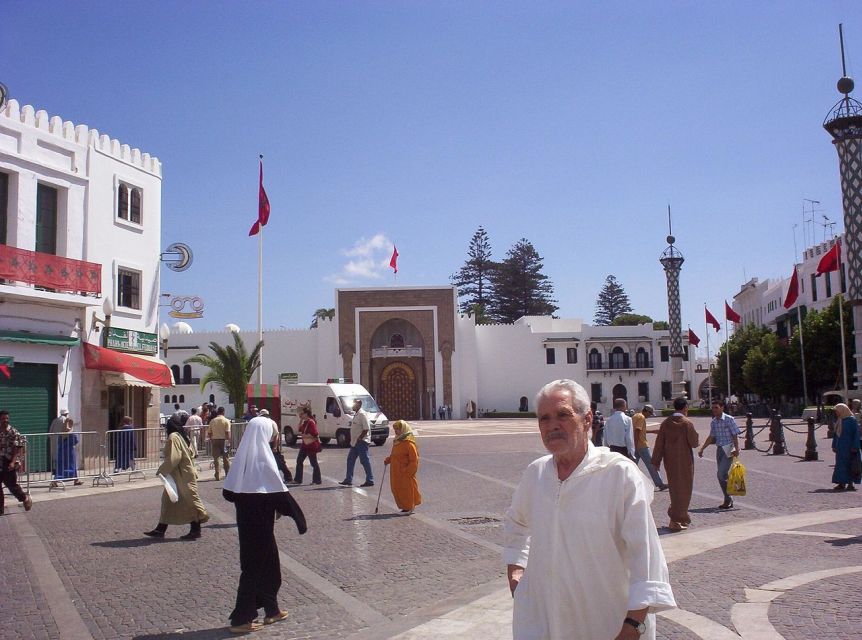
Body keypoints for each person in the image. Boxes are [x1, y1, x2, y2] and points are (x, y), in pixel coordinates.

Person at [503, 380, 675, 639]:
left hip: (605, 623)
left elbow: (646, 554)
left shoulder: (618, 474)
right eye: (544, 419)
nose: (552, 426)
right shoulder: (537, 474)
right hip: (542, 620)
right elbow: (517, 523)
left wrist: (633, 625)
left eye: (563, 415)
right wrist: (516, 568)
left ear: (587, 419)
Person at [223, 415, 306, 633]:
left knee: (270, 568)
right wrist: (299, 519)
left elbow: (229, 493)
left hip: (251, 526)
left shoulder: (244, 460)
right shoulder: (262, 461)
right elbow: (280, 496)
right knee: (253, 570)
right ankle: (241, 619)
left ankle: (272, 609)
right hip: (259, 530)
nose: (276, 438)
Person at [144, 415, 209, 540]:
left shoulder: (173, 437)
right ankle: (160, 528)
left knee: (190, 501)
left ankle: (196, 529)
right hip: (181, 474)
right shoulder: (182, 436)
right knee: (168, 500)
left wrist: (161, 471)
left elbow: (174, 458)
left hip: (182, 475)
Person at [651, 397, 700, 531]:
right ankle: (677, 519)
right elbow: (694, 443)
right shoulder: (687, 423)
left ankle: (675, 519)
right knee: (685, 490)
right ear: (685, 408)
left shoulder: (666, 423)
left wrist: (656, 461)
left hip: (670, 461)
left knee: (674, 489)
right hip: (685, 461)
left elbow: (659, 443)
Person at [698, 399, 741, 509]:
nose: (714, 410)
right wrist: (702, 448)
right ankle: (728, 499)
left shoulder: (729, 419)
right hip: (720, 450)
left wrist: (737, 448)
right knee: (722, 476)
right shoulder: (713, 422)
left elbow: (735, 434)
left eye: (716, 407)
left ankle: (729, 498)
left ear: (722, 408)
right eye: (713, 408)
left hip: (729, 449)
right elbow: (711, 436)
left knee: (721, 474)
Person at [384, 420, 421, 514]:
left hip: (405, 472)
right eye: (395, 429)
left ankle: (408, 507)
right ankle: (405, 506)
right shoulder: (397, 441)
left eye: (398, 429)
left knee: (406, 489)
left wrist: (408, 471)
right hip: (396, 472)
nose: (396, 431)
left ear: (403, 429)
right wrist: (389, 460)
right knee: (397, 489)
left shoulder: (409, 443)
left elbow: (414, 459)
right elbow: (395, 455)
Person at [0, 410, 33, 515]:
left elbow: (18, 448)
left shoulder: (13, 432)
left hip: (9, 461)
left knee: (11, 485)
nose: (5, 420)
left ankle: (24, 498)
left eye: (7, 418)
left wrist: (13, 462)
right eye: (3, 418)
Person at [339, 398, 374, 487]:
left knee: (364, 461)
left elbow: (366, 428)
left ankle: (370, 479)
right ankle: (348, 479)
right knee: (350, 460)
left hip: (361, 442)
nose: (352, 406)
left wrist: (360, 438)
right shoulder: (356, 414)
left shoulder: (362, 414)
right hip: (354, 442)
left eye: (354, 404)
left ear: (358, 405)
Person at [632, 405, 667, 491]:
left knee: (632, 465)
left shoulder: (636, 416)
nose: (649, 415)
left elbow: (639, 430)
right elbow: (637, 431)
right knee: (651, 464)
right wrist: (636, 445)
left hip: (635, 445)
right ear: (646, 411)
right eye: (650, 413)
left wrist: (652, 431)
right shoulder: (641, 417)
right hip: (642, 445)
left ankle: (626, 484)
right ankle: (660, 484)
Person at [831, 403, 861, 491]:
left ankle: (850, 483)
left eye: (837, 411)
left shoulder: (852, 420)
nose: (836, 413)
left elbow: (856, 434)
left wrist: (855, 446)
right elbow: (836, 434)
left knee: (850, 464)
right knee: (840, 465)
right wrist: (834, 445)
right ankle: (841, 482)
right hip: (841, 446)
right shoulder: (840, 420)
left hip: (850, 446)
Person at [261, 409, 292, 484]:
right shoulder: (262, 423)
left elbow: (276, 435)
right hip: (265, 444)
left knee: (279, 462)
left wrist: (275, 446)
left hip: (272, 444)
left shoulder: (272, 422)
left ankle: (288, 477)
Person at [293, 407, 321, 485]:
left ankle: (317, 480)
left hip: (311, 445)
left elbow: (315, 434)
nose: (300, 415)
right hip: (305, 445)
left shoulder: (311, 422)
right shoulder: (305, 422)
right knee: (299, 460)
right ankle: (298, 480)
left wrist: (305, 435)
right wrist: (301, 420)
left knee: (313, 463)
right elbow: (299, 429)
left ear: (306, 414)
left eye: (302, 414)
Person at [54, 417, 83, 485]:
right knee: (72, 466)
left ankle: (56, 481)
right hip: (70, 453)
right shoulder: (72, 434)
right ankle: (75, 480)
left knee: (61, 467)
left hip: (61, 452)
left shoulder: (61, 434)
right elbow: (75, 441)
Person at [207, 406, 232, 481]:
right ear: (223, 412)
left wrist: (211, 439)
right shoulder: (226, 421)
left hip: (215, 440)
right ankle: (228, 474)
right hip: (224, 440)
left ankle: (217, 474)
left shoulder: (212, 421)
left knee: (216, 458)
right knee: (226, 458)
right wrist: (229, 441)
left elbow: (209, 432)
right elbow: (227, 433)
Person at [48, 408, 69, 473]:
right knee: (62, 455)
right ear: (66, 414)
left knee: (55, 454)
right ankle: (61, 470)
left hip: (54, 439)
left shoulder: (55, 420)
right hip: (62, 440)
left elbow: (50, 431)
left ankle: (55, 469)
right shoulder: (66, 420)